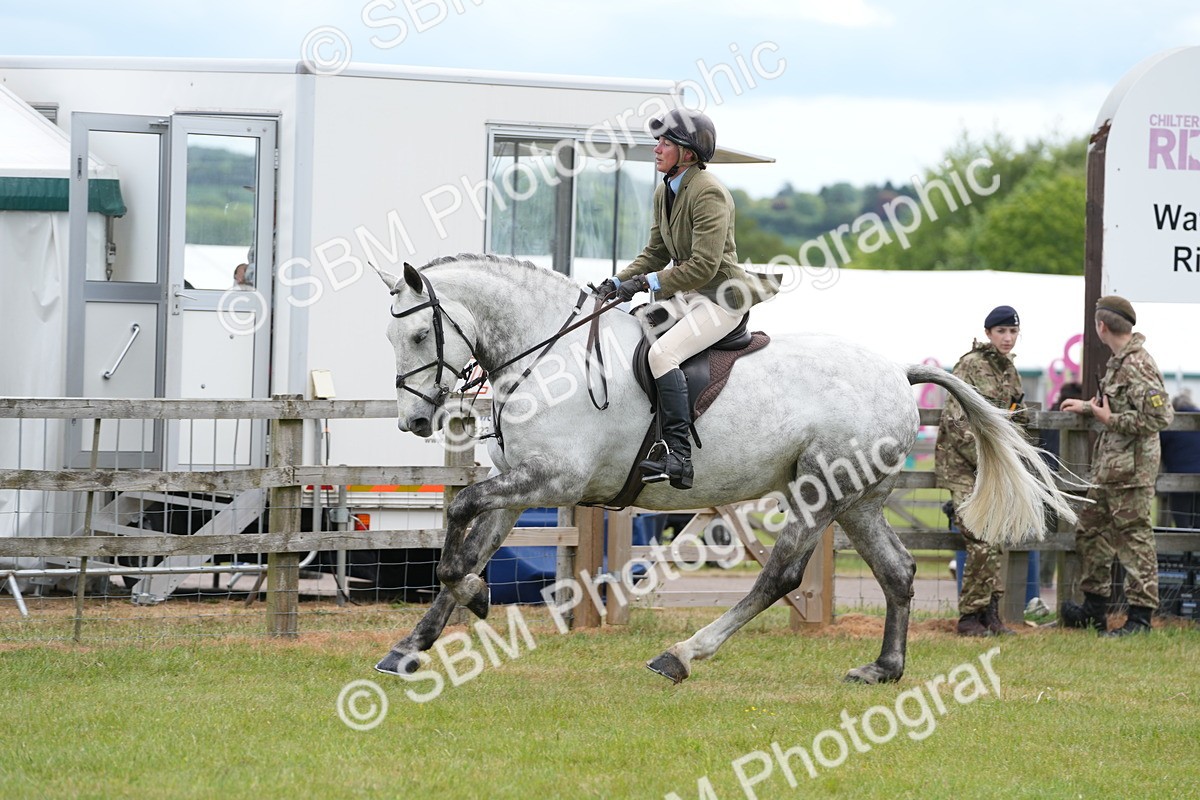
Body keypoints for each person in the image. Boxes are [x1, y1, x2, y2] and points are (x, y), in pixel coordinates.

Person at [597, 109, 778, 490]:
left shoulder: (708, 191)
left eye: (666, 142)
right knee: (632, 327)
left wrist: (646, 283)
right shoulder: (666, 190)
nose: (657, 148)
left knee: (663, 355)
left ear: (689, 154)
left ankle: (678, 454)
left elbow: (703, 266)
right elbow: (656, 253)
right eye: (658, 140)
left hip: (720, 298)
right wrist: (617, 281)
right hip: (688, 295)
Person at [1060, 296, 1174, 636]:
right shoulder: (1119, 362)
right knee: (1091, 533)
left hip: (1131, 473)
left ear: (1101, 326)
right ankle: (1093, 608)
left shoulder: (1138, 364)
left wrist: (1111, 419)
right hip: (1109, 470)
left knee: (1134, 541)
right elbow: (1116, 404)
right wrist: (1090, 408)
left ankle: (1140, 618)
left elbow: (1159, 416)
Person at [935, 305, 1026, 636]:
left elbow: (1017, 417)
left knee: (996, 538)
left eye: (1013, 332)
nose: (1008, 337)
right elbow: (956, 422)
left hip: (994, 470)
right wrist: (992, 459)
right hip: (963, 467)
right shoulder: (970, 366)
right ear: (988, 333)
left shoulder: (1009, 372)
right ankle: (970, 617)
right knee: (981, 539)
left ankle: (991, 614)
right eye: (1001, 331)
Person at [1159, 390, 1200, 529]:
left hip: (1177, 480)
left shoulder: (1170, 423)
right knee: (1198, 525)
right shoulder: (1197, 418)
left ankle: (1184, 549)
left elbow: (1158, 449)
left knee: (1182, 523)